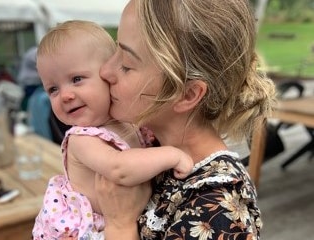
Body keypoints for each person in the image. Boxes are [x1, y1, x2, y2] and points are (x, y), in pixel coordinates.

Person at [90, 0, 276, 239]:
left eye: (126, 65)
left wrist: (120, 224)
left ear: (187, 95)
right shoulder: (147, 146)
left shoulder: (216, 212)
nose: (105, 71)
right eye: (115, 49)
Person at [32, 20, 193, 240]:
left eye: (76, 79)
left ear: (107, 75)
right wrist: (173, 155)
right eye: (53, 89)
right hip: (88, 232)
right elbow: (119, 168)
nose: (65, 95)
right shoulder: (81, 139)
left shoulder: (128, 122)